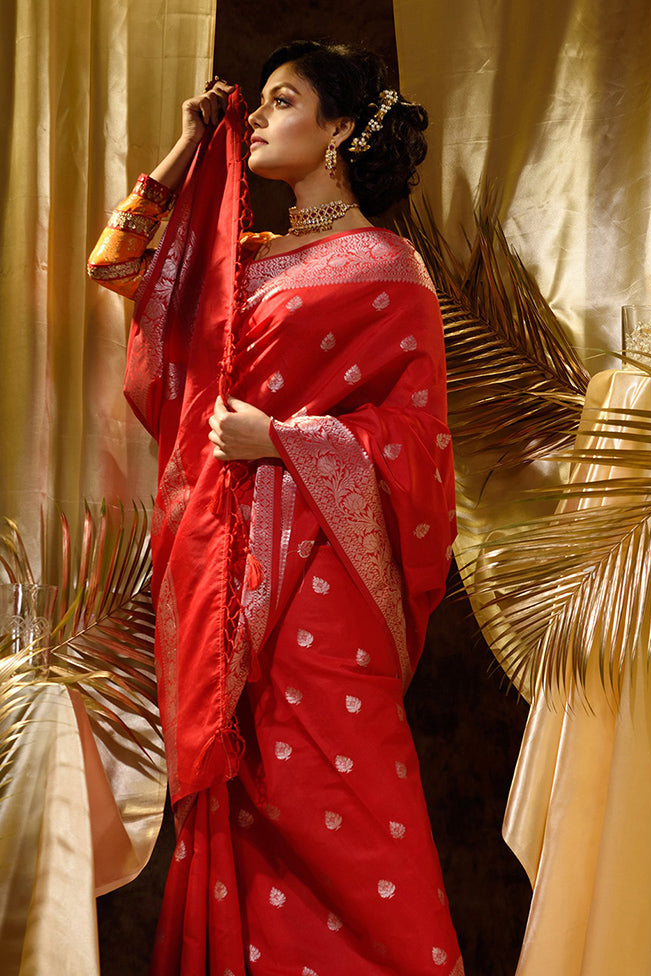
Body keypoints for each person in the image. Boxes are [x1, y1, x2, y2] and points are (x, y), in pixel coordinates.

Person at [88, 39, 463, 976]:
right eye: (256, 103)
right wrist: (184, 146)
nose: (257, 116)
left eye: (282, 100)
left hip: (323, 587)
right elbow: (120, 268)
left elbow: (418, 444)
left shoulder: (387, 268)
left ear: (339, 128)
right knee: (246, 805)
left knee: (345, 806)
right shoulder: (241, 259)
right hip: (226, 573)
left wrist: (286, 440)